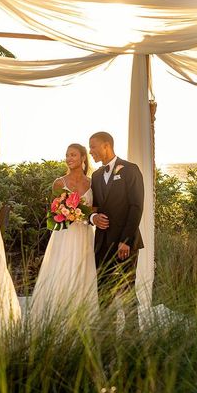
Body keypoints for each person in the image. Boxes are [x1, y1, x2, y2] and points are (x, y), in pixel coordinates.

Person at [29, 143, 98, 324]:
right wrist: (65, 211)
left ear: (83, 157)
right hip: (65, 235)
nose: (69, 158)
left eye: (73, 155)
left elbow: (95, 209)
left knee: (83, 272)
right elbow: (53, 211)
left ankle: (83, 319)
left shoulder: (92, 183)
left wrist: (81, 212)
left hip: (84, 234)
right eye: (67, 155)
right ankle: (58, 318)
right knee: (62, 270)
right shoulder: (59, 183)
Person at [88, 131, 144, 308]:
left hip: (124, 244)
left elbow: (136, 206)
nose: (90, 151)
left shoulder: (130, 169)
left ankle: (131, 334)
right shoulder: (96, 176)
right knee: (103, 293)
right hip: (102, 244)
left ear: (107, 146)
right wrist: (93, 218)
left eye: (93, 146)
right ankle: (107, 334)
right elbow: (95, 207)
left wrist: (125, 240)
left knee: (127, 292)